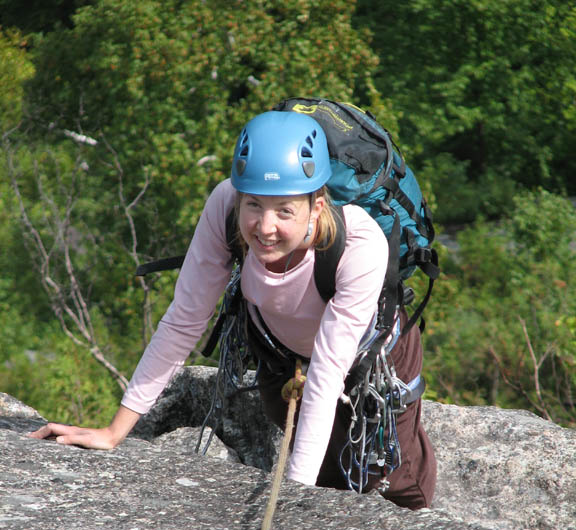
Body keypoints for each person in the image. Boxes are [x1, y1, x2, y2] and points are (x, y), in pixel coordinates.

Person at [29, 110, 436, 509]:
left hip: (374, 357)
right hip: (284, 351)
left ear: (316, 206)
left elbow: (328, 373)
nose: (264, 226)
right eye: (254, 205)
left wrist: (288, 501)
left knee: (390, 479)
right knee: (327, 475)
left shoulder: (358, 245)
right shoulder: (225, 205)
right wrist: (114, 431)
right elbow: (183, 320)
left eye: (285, 210)